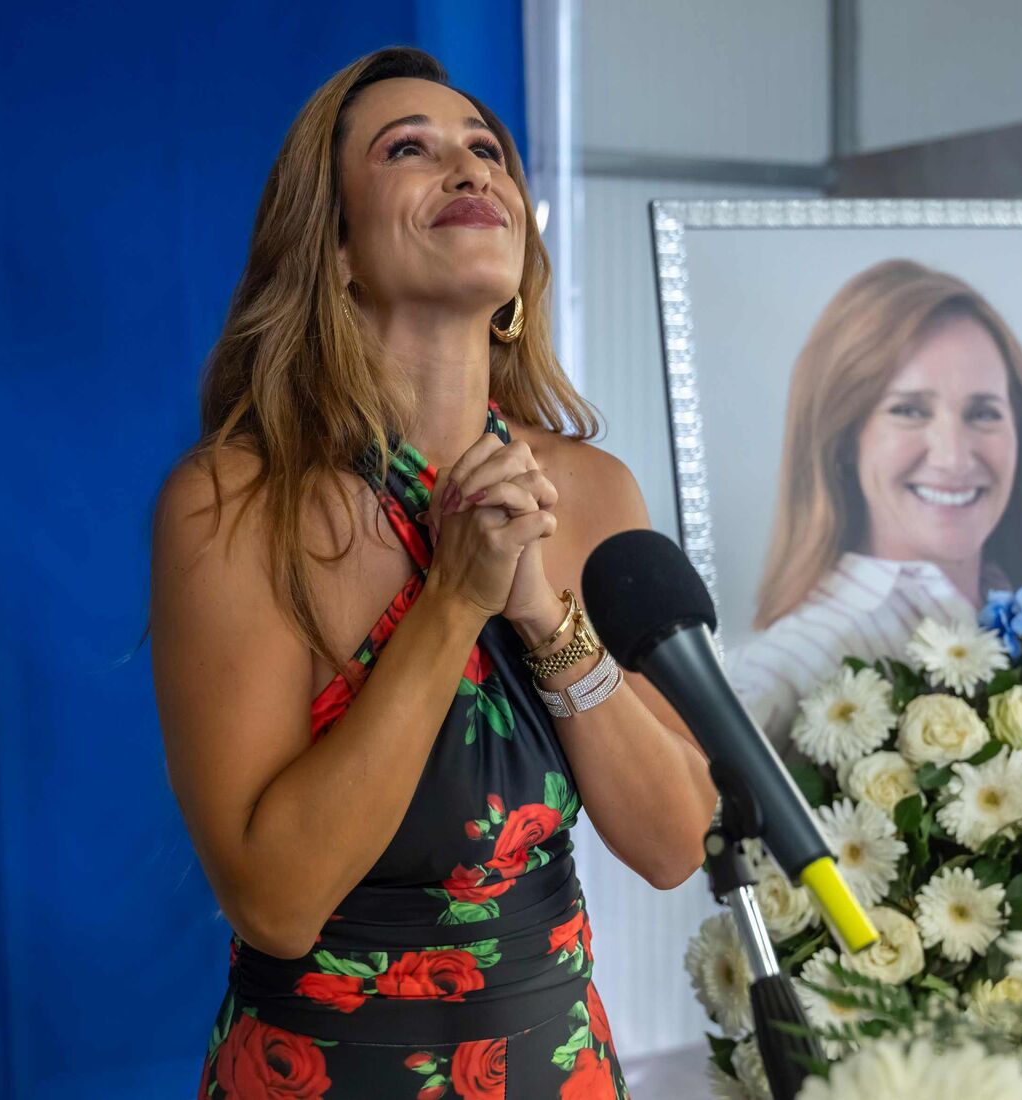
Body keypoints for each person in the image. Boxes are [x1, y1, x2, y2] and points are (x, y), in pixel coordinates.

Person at [150, 47, 715, 1099]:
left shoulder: (590, 489)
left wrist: (541, 610)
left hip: (560, 1070)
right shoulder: (234, 502)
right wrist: (454, 596)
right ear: (335, 246)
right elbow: (275, 903)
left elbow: (676, 841)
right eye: (408, 149)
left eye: (487, 151)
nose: (470, 170)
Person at [725, 259, 1022, 753]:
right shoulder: (778, 676)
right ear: (843, 441)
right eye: (909, 410)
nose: (954, 457)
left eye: (984, 413)